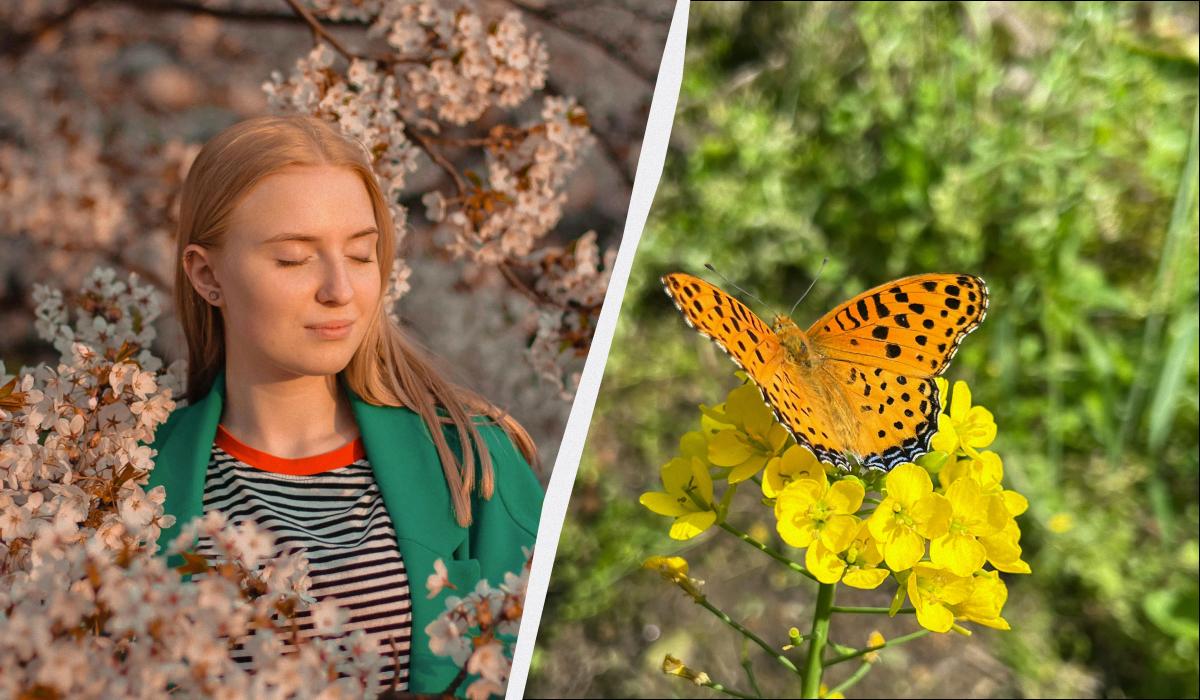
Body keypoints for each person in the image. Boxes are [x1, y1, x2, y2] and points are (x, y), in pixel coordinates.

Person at [144, 114, 544, 696]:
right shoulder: (127, 477)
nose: (340, 289)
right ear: (208, 275)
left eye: (361, 255)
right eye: (293, 259)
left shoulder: (472, 458)